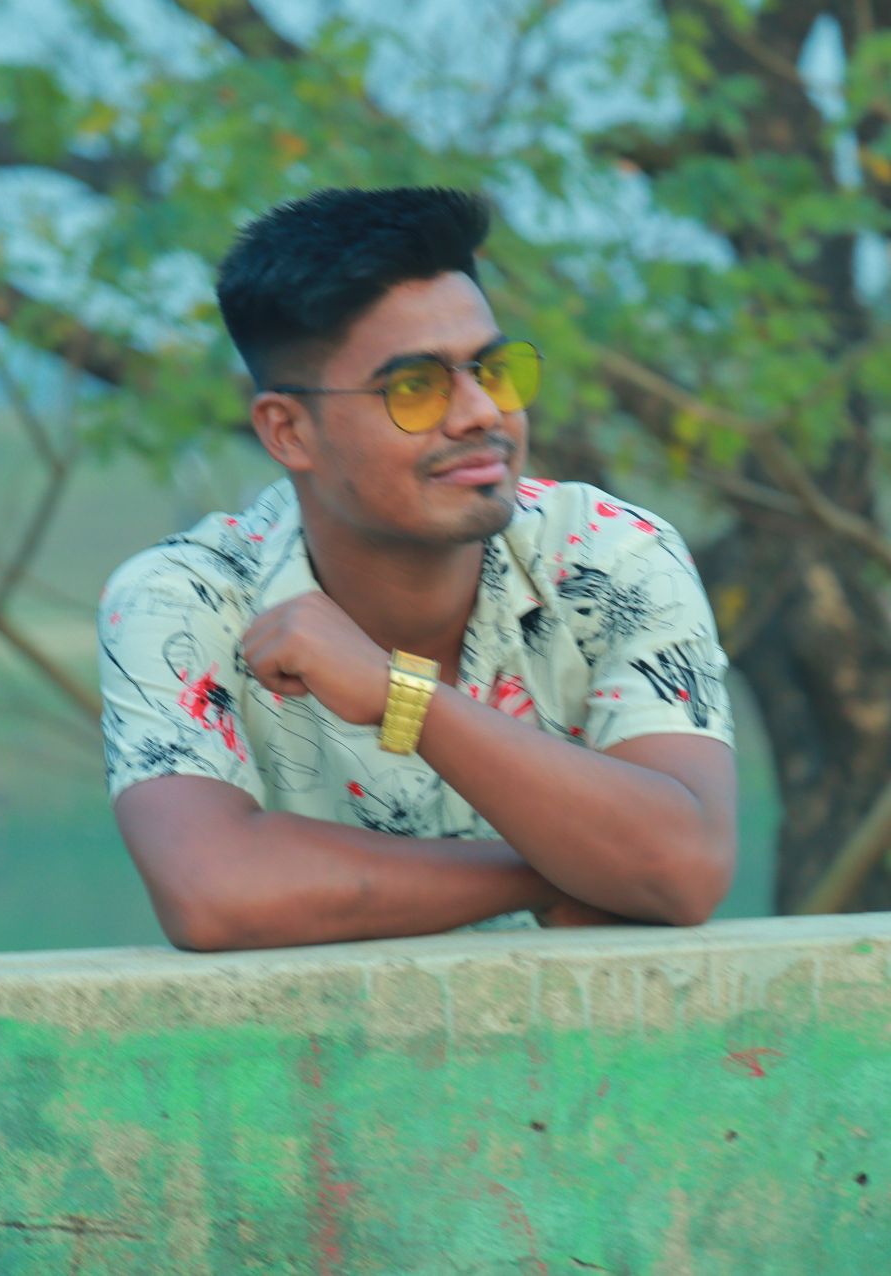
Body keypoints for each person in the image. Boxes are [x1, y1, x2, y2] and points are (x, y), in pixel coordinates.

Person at [97, 186, 736, 951]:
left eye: (491, 370)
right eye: (415, 388)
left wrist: (401, 696)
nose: (481, 413)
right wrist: (564, 869)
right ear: (288, 431)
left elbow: (684, 865)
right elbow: (215, 893)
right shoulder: (182, 600)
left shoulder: (611, 557)